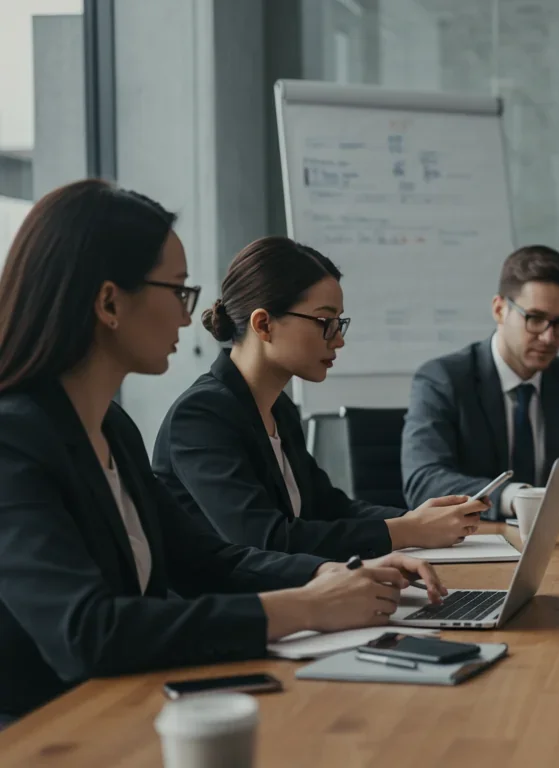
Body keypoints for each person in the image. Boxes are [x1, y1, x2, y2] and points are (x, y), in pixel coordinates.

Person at [0, 181, 446, 720]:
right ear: (110, 302)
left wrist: (327, 576)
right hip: (47, 731)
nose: (190, 318)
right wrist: (303, 605)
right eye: (178, 292)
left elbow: (208, 560)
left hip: (130, 705)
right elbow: (87, 632)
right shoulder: (14, 442)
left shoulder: (113, 427)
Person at [152, 237, 487, 560]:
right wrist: (407, 531)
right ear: (264, 324)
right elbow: (267, 540)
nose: (338, 340)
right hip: (232, 610)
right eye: (325, 322)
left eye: (340, 323)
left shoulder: (278, 408)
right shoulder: (200, 415)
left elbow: (331, 508)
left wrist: (419, 518)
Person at [401, 245, 559, 521]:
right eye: (535, 318)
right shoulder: (442, 379)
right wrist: (517, 498)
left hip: (556, 542)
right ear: (500, 310)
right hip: (475, 543)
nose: (549, 338)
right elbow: (424, 481)